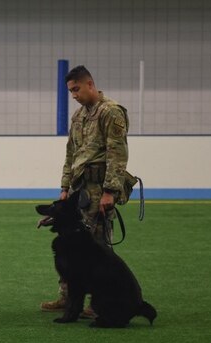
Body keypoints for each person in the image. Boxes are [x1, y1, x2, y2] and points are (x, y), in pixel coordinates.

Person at [41, 65, 130, 314]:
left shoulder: (111, 112)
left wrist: (110, 191)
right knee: (70, 245)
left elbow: (117, 154)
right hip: (79, 191)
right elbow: (71, 153)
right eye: (70, 91)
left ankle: (99, 300)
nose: (74, 95)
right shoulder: (79, 116)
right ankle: (68, 297)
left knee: (97, 246)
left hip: (100, 189)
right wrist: (64, 188)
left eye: (76, 89)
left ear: (90, 84)